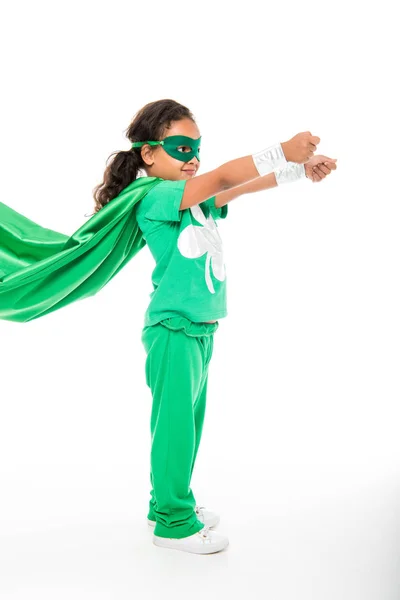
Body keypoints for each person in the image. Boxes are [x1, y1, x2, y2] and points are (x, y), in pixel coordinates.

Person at [0, 98, 337, 555]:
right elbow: (222, 177)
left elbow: (236, 189)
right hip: (173, 329)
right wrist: (281, 149)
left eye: (196, 148)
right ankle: (174, 524)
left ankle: (166, 502)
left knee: (188, 426)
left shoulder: (193, 200)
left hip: (200, 329)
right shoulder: (158, 196)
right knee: (175, 427)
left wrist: (299, 170)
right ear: (148, 154)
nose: (192, 158)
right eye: (180, 148)